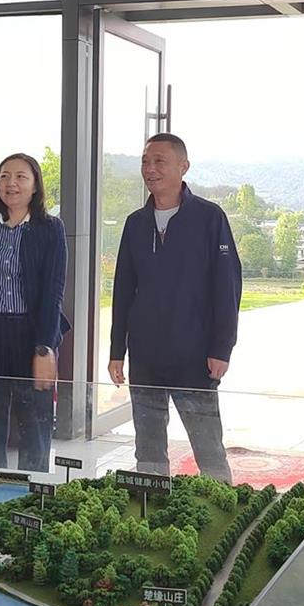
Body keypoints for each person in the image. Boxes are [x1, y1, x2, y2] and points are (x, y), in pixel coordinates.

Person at [109, 133, 242, 482]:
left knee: (209, 449)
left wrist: (222, 348)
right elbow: (123, 290)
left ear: (184, 166)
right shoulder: (135, 223)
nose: (150, 169)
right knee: (148, 451)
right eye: (145, 161)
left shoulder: (209, 218)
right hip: (146, 357)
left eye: (159, 161)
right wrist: (117, 351)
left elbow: (227, 287)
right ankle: (151, 508)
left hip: (195, 356)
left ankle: (223, 505)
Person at [0, 153, 68, 473]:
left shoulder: (50, 228)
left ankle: (34, 493)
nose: (11, 183)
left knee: (35, 425)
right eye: (5, 176)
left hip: (31, 334)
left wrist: (45, 347)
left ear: (35, 186)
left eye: (21, 177)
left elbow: (53, 292)